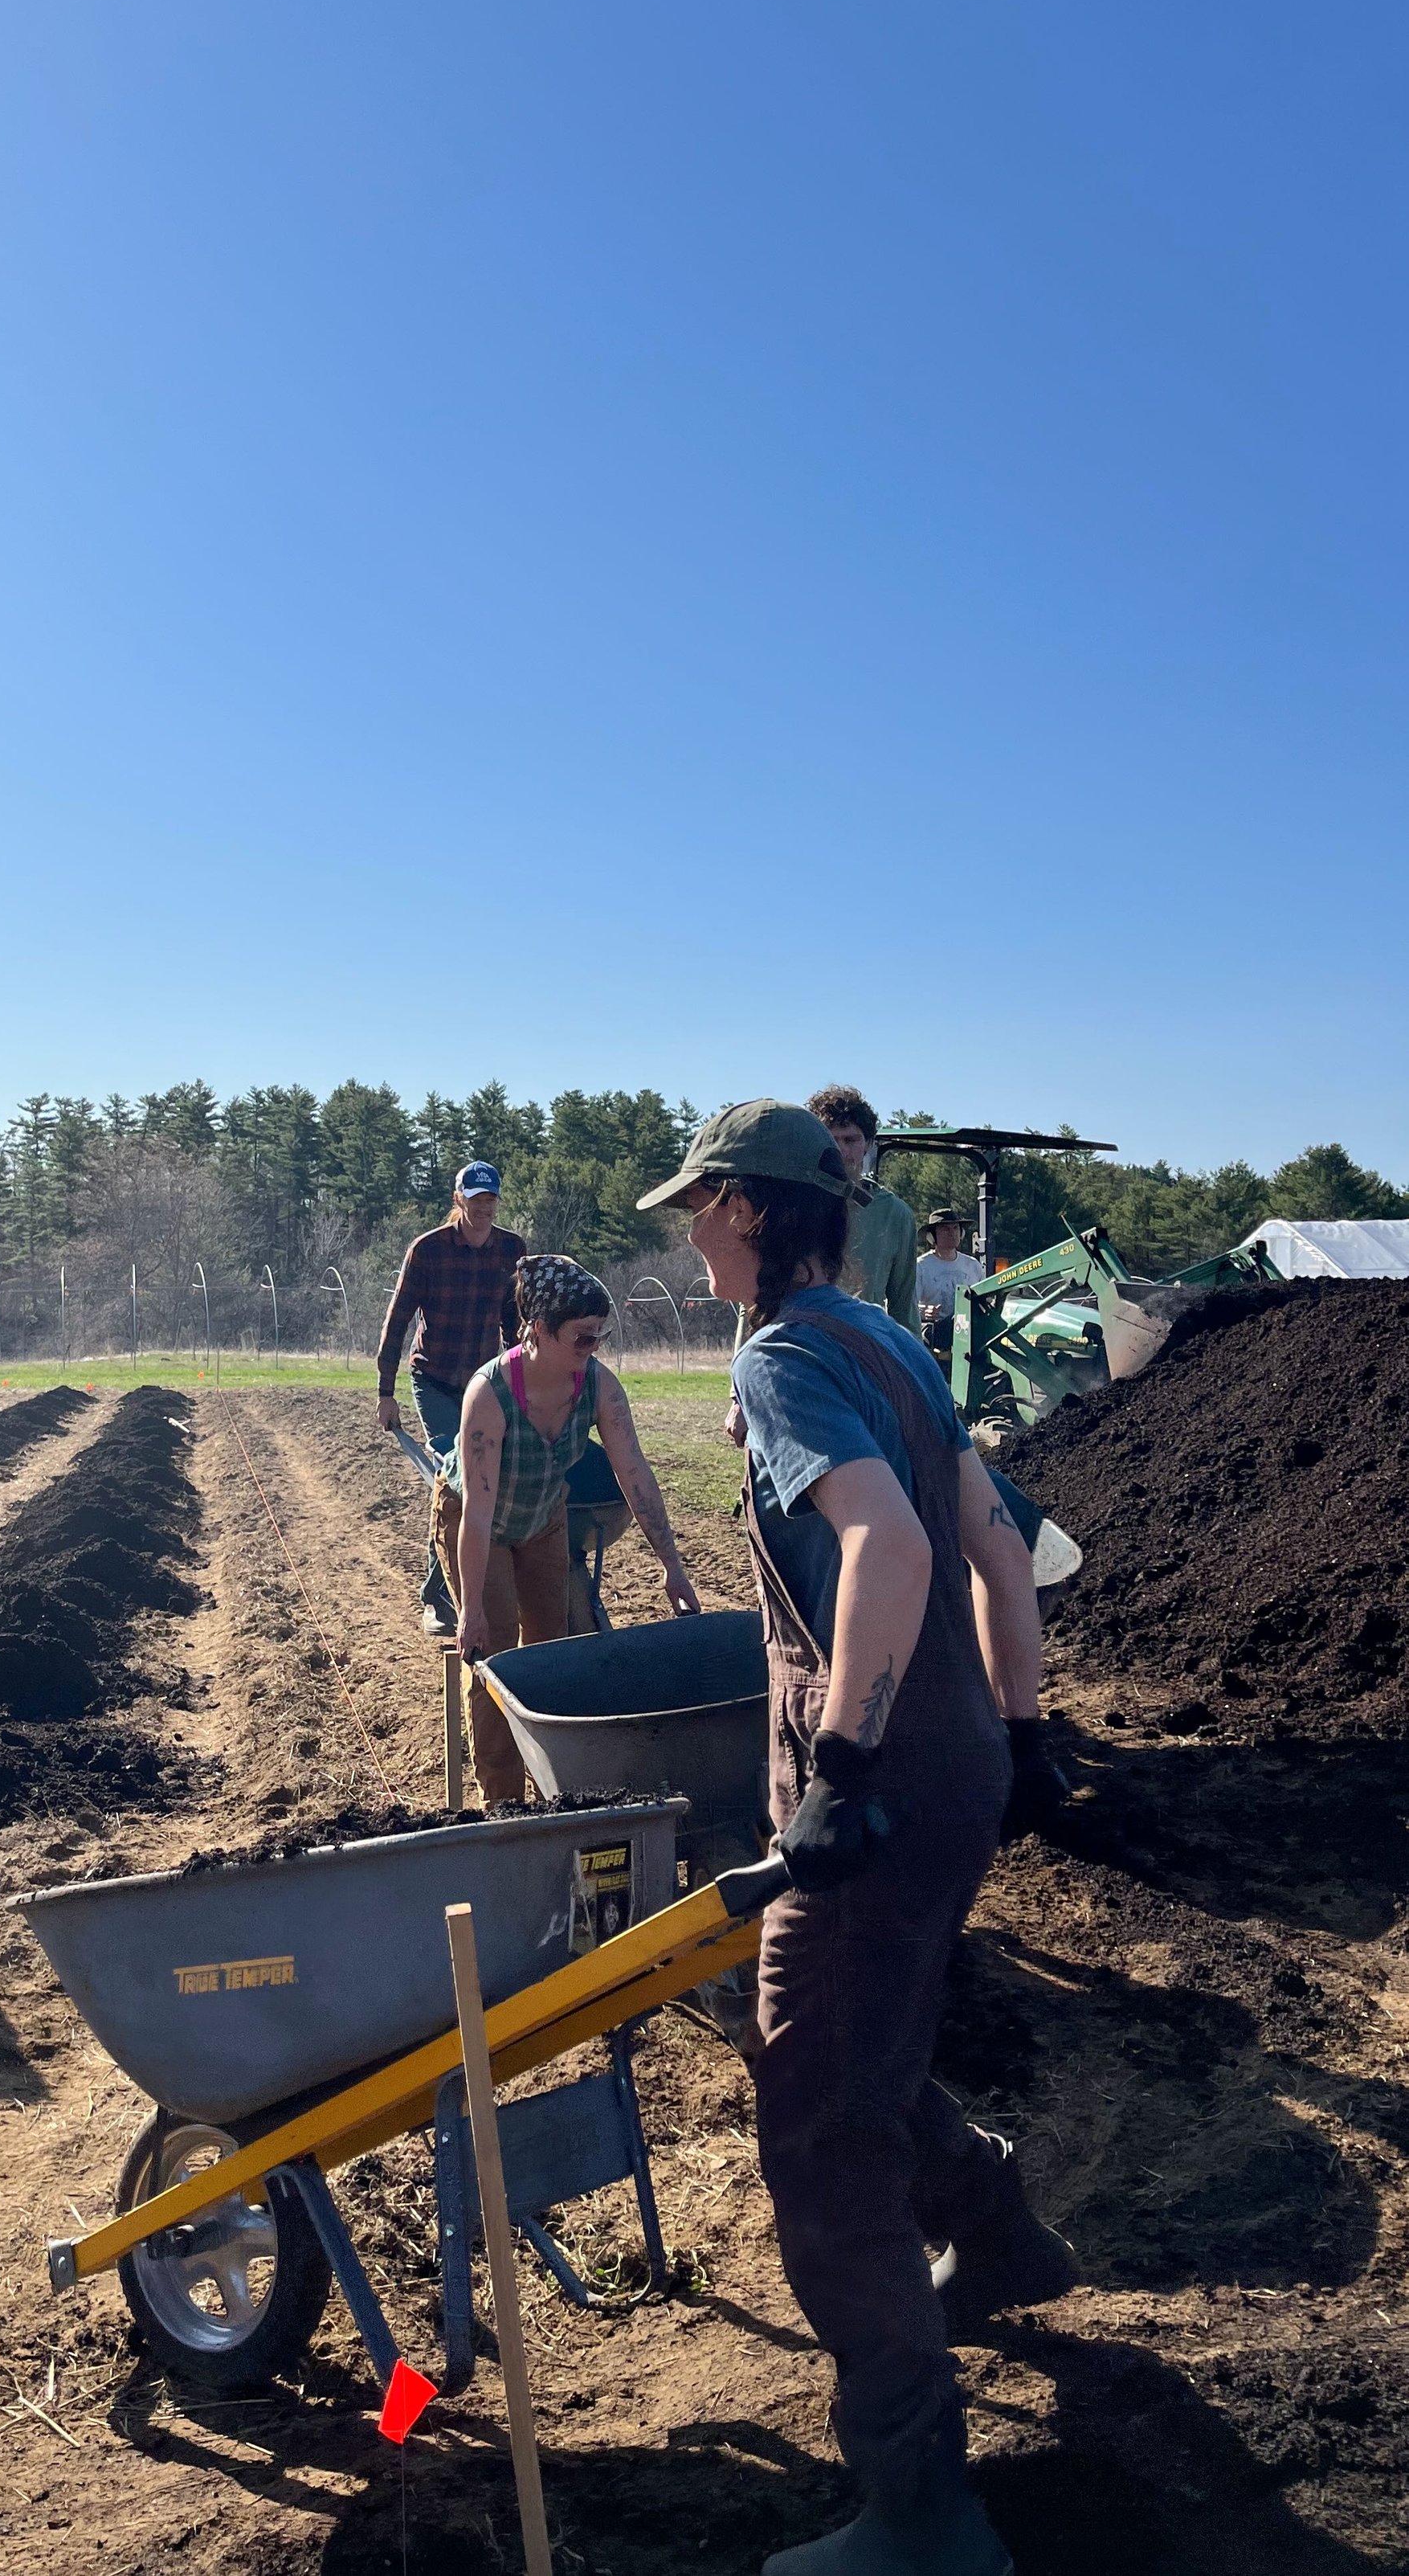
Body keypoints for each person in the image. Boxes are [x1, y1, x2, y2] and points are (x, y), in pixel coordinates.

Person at [638, 1102, 1075, 2576]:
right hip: (951, 1774)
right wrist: (1021, 1734)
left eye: (696, 1206)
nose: (689, 1231)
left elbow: (891, 1544)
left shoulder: (783, 1354)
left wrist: (837, 1761)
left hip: (876, 1786)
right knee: (839, 2036)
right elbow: (998, 1547)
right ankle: (997, 2231)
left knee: (821, 2131)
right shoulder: (890, 1338)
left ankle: (923, 2514)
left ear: (749, 1211)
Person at [436, 1254, 700, 1801]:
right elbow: (481, 1514)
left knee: (551, 1648)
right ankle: (503, 1800)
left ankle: (554, 1783)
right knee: (497, 1658)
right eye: (582, 1338)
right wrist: (471, 1610)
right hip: (477, 1522)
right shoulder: (489, 1395)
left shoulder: (599, 1387)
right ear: (539, 1331)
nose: (593, 1347)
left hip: (544, 1517)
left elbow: (636, 1475)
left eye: (599, 1336)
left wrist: (673, 1567)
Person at [375, 1162, 527, 1636]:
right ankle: (438, 1598)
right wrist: (386, 1392)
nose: (483, 1207)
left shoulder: (511, 1250)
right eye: (475, 1197)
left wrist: (519, 1379)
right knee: (456, 1478)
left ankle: (483, 1585)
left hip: (484, 1381)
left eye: (491, 1199)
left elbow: (514, 1322)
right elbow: (397, 1319)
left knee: (483, 1479)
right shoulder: (429, 1250)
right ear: (458, 1199)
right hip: (435, 1379)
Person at [807, 1086, 917, 1331]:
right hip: (799, 1348)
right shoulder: (791, 1203)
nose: (841, 1150)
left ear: (867, 1143)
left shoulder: (894, 1215)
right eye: (831, 1139)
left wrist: (913, 1365)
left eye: (850, 1140)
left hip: (861, 1349)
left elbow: (904, 1310)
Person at [915, 1210, 986, 1364]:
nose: (952, 1233)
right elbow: (907, 1306)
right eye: (945, 1229)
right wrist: (924, 1311)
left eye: (955, 1229)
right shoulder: (921, 1267)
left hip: (972, 1333)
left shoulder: (972, 1265)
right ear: (932, 1236)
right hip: (937, 1335)